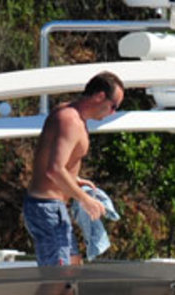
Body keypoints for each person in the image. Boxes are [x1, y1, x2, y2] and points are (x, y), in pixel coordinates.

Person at [24, 71, 125, 265]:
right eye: (114, 106)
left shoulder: (70, 114)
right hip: (47, 208)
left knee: (74, 266)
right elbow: (54, 170)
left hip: (52, 208)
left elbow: (49, 157)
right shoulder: (70, 120)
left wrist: (75, 179)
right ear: (99, 96)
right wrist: (85, 200)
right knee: (59, 276)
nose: (113, 113)